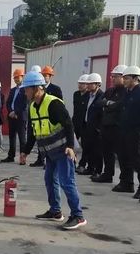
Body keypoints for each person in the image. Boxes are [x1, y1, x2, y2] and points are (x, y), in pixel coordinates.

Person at [20, 71, 86, 230]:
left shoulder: (53, 103)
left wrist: (70, 146)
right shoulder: (32, 107)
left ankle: (78, 216)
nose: (25, 92)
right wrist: (25, 151)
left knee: (66, 182)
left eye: (27, 89)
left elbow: (68, 124)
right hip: (49, 153)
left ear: (37, 88)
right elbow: (33, 132)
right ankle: (55, 211)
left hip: (63, 151)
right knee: (50, 180)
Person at [114, 65, 140, 200]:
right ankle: (126, 183)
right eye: (123, 78)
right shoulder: (127, 93)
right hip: (124, 130)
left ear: (136, 78)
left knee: (137, 160)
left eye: (127, 78)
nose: (124, 80)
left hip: (136, 132)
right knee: (123, 157)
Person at [92, 66, 127, 183]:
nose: (112, 79)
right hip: (106, 126)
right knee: (107, 152)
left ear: (123, 77)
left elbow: (119, 106)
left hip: (118, 128)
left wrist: (108, 104)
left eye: (115, 76)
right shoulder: (110, 91)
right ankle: (107, 174)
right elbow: (99, 103)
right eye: (112, 76)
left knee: (122, 155)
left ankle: (125, 180)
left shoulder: (126, 92)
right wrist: (109, 103)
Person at [30, 65, 64, 168]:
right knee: (41, 139)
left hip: (51, 120)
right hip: (41, 119)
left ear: (50, 76)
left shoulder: (55, 89)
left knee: (52, 142)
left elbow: (59, 104)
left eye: (46, 75)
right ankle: (41, 159)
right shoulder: (39, 89)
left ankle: (50, 159)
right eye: (43, 75)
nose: (44, 77)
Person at [80, 73, 105, 178]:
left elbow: (102, 114)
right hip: (87, 126)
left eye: (91, 84)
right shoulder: (87, 96)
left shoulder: (102, 96)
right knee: (88, 147)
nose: (88, 86)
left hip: (96, 128)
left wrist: (99, 128)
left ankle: (98, 170)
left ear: (97, 84)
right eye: (88, 83)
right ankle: (90, 168)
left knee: (97, 151)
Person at [2, 69, 27, 164]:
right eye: (15, 77)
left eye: (18, 77)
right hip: (12, 116)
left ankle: (22, 157)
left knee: (22, 138)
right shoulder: (12, 90)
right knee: (12, 137)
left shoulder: (25, 89)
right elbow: (8, 102)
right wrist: (11, 111)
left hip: (20, 117)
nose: (16, 79)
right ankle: (11, 156)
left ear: (22, 77)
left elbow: (25, 104)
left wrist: (15, 112)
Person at [72, 74, 89, 174]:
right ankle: (72, 161)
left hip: (84, 124)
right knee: (72, 143)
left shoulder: (89, 95)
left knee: (85, 145)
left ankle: (82, 164)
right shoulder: (76, 94)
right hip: (75, 122)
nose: (80, 85)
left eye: (83, 83)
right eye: (79, 83)